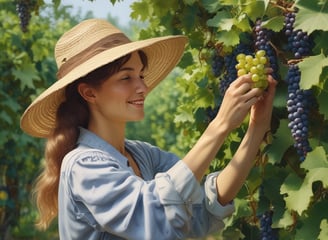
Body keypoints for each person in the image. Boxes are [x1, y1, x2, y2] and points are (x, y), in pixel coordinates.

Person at [20, 18, 277, 240]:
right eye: (126, 77)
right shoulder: (83, 165)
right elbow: (155, 220)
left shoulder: (144, 156)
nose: (142, 87)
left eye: (141, 75)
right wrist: (220, 125)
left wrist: (256, 128)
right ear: (89, 92)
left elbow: (202, 208)